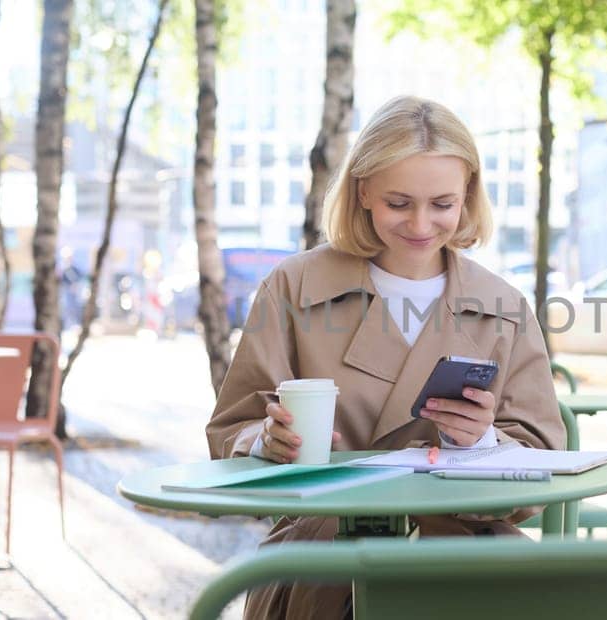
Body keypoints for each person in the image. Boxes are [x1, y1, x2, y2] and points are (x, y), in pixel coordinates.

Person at [205, 95, 565, 620]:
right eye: (399, 203)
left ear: (467, 197)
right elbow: (231, 429)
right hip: (328, 554)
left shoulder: (503, 305)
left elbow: (542, 459)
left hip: (464, 548)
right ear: (363, 190)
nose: (421, 224)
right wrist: (266, 441)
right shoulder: (293, 286)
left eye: (442, 204)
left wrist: (482, 442)